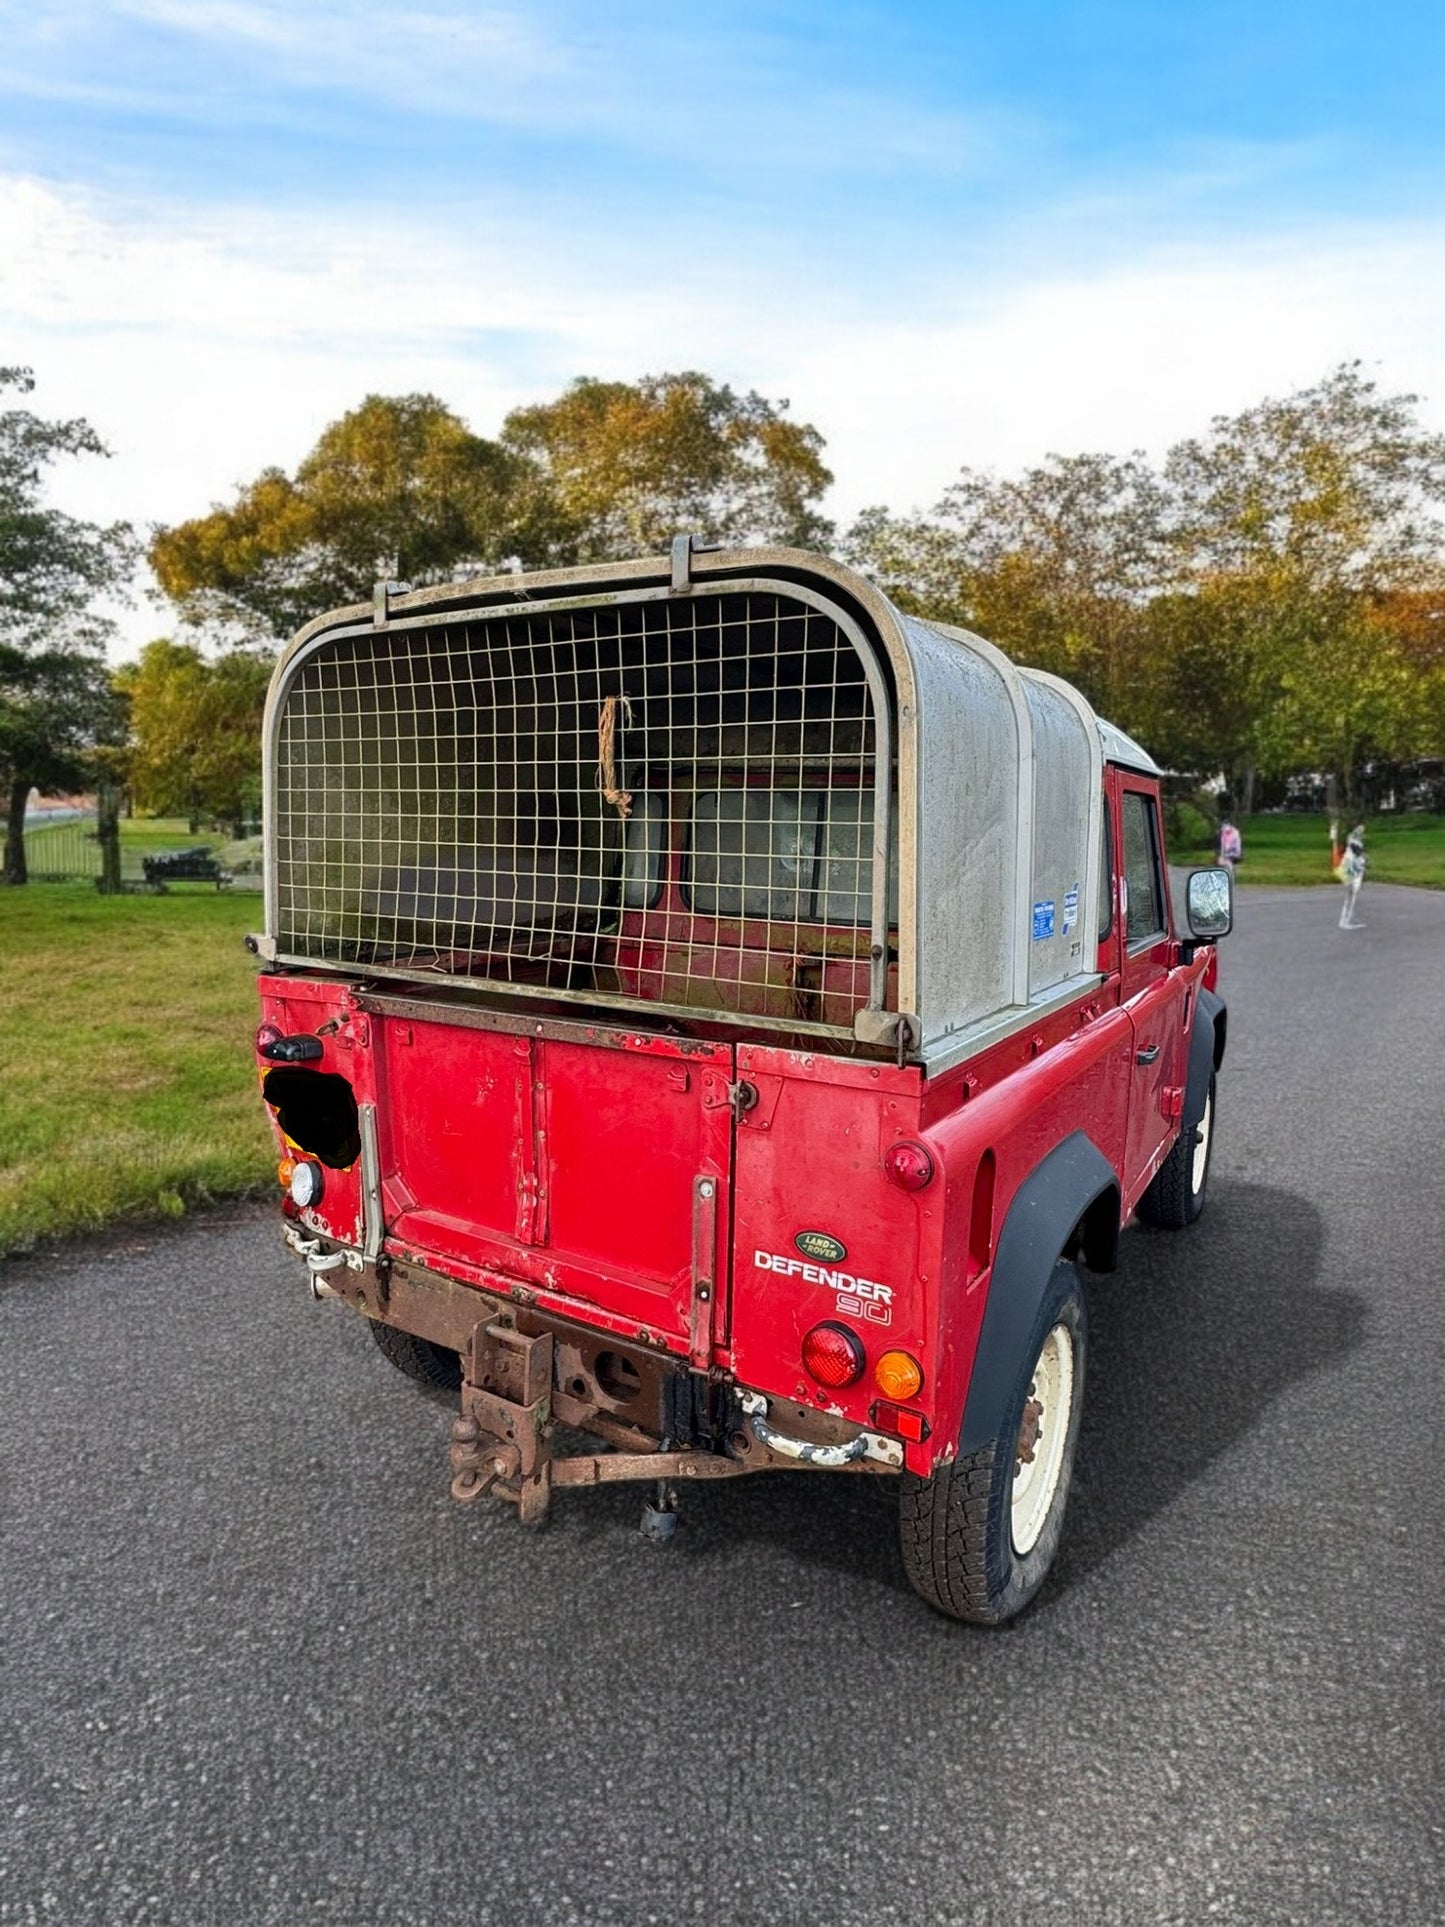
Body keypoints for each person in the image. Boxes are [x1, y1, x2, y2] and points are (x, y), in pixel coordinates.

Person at [1332, 821, 1366, 928]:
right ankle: (1346, 919)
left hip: (1354, 868)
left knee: (1352, 893)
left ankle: (1347, 917)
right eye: (1359, 829)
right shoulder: (1352, 841)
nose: (1361, 831)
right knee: (1351, 893)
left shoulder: (1356, 841)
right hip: (1351, 869)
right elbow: (1355, 853)